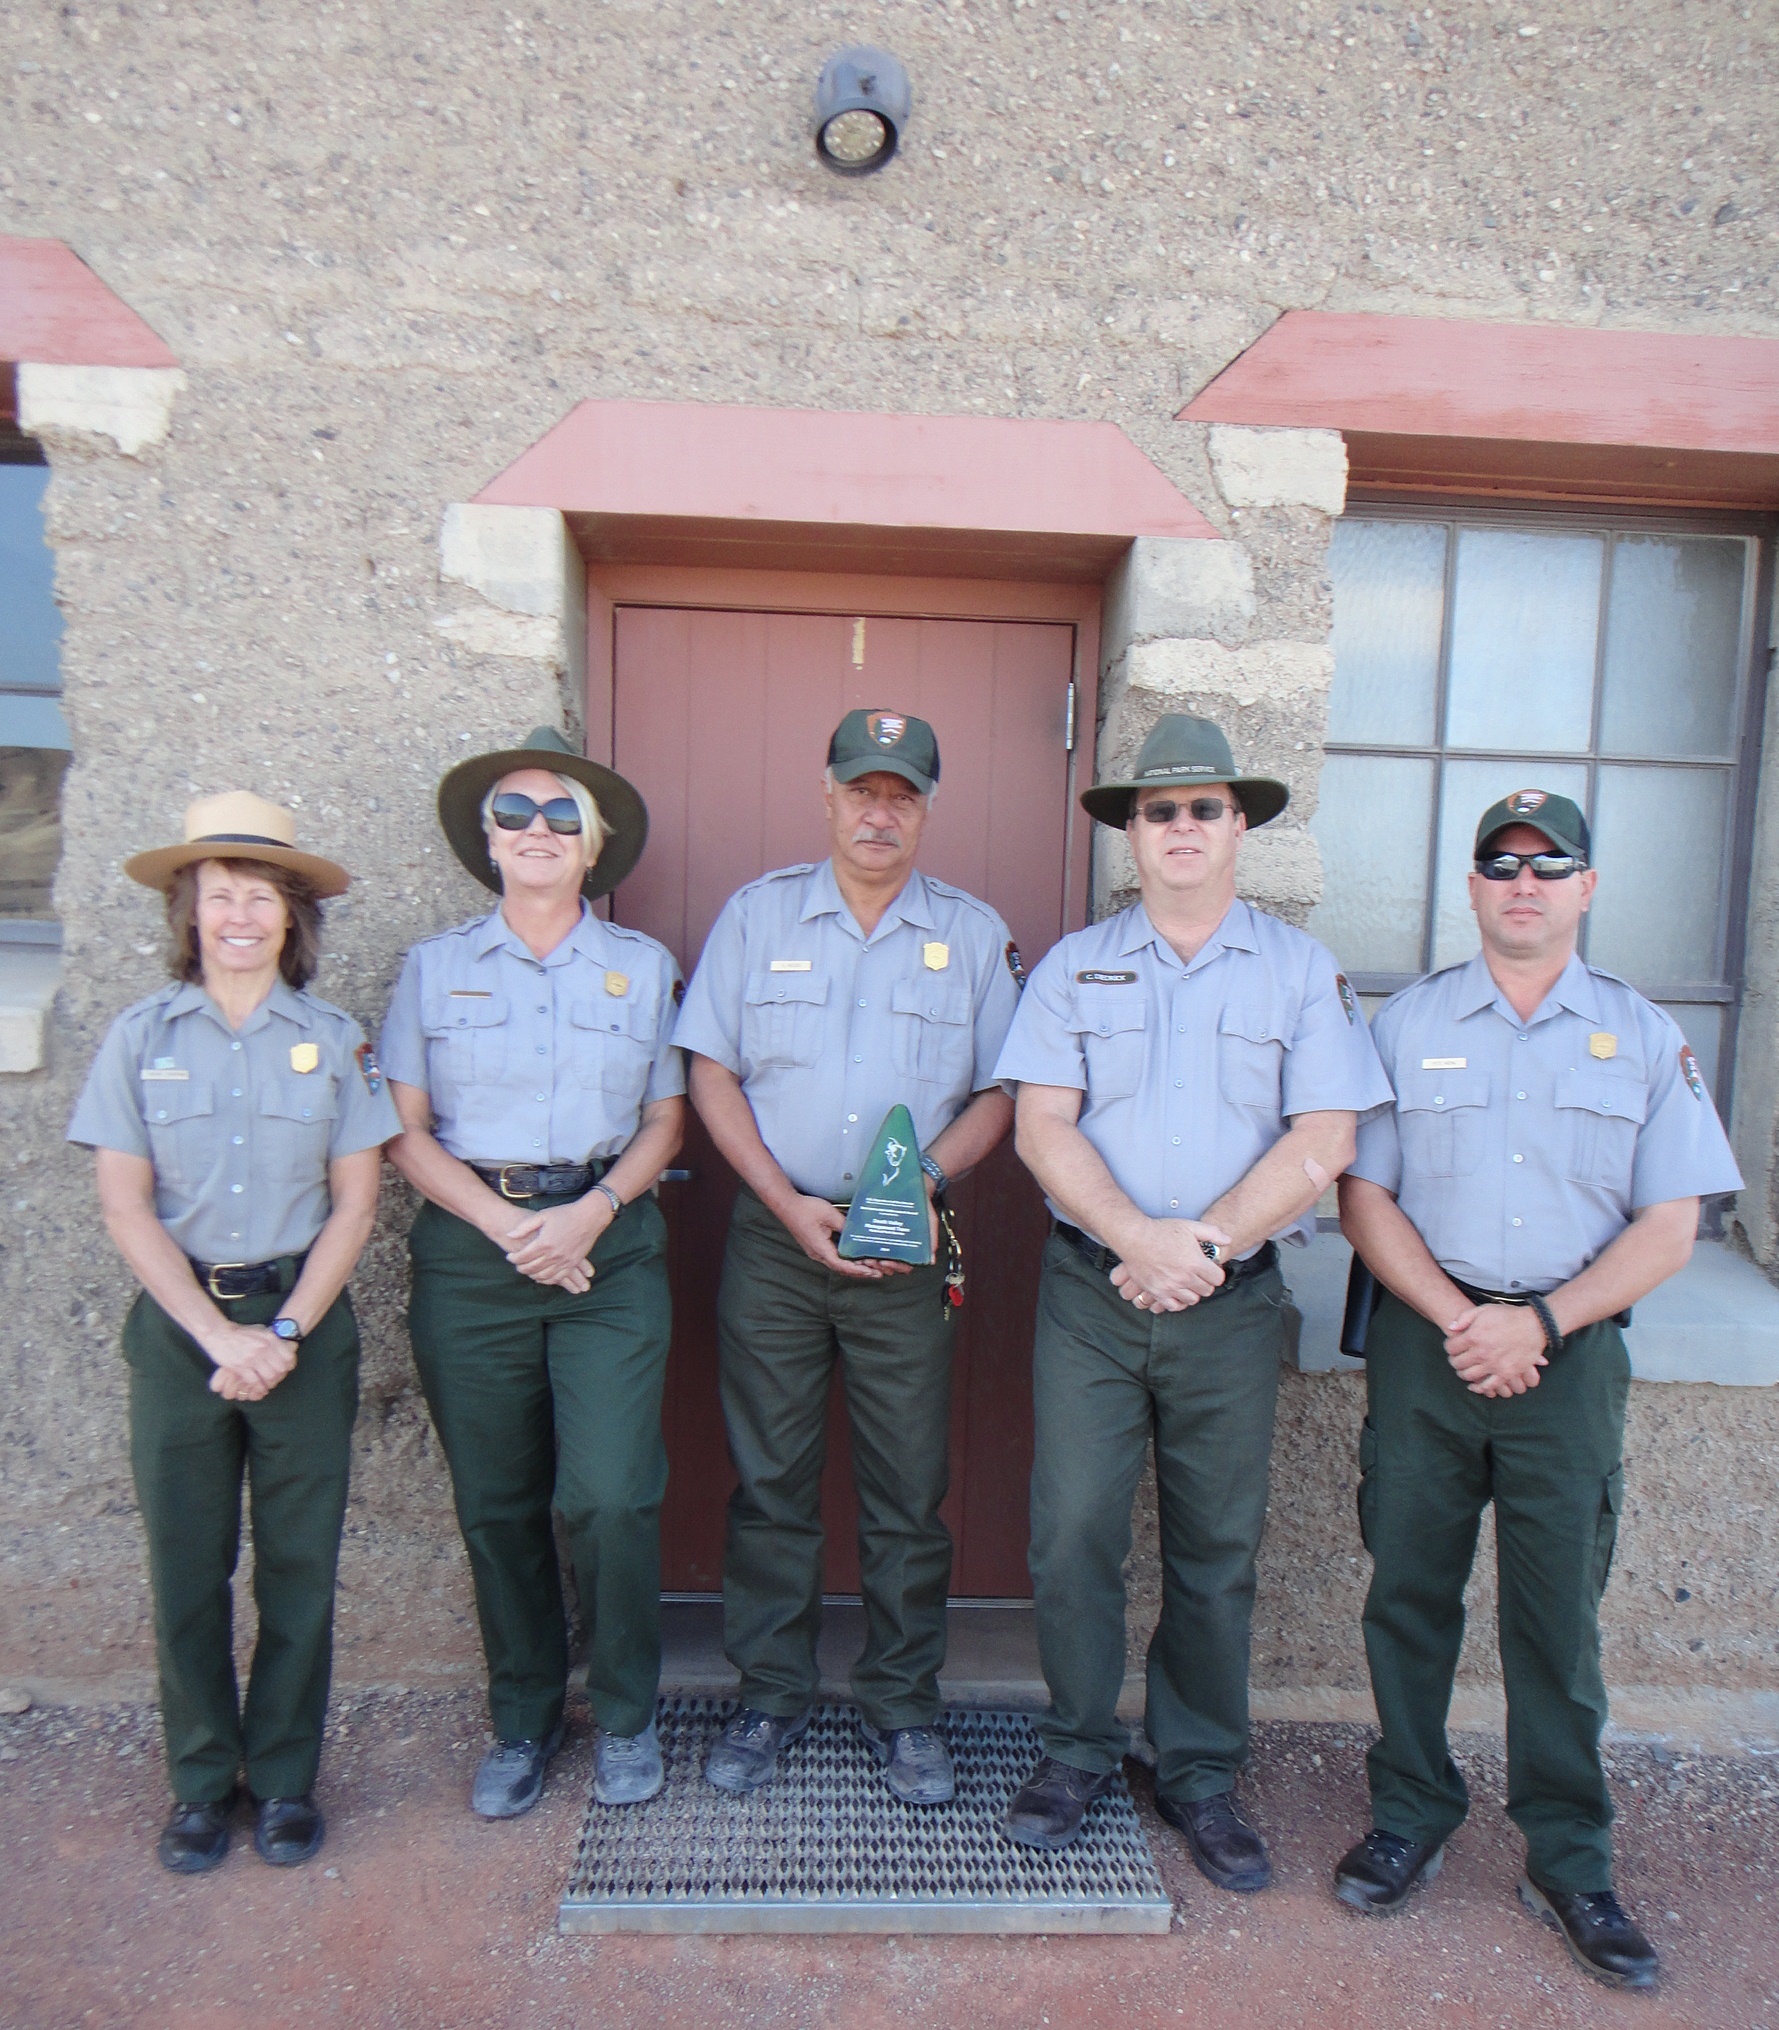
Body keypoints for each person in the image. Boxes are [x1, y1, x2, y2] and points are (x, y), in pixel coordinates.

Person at [1331, 790, 1741, 1990]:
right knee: (1408, 1591)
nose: (1524, 880)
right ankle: (1410, 1810)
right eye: (1500, 862)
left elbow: (1673, 1224)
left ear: (1586, 887)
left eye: (1549, 864)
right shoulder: (1406, 1025)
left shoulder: (1643, 1035)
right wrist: (1466, 1319)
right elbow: (1365, 1197)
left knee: (1556, 1618)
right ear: (1470, 885)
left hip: (1570, 1352)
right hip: (1430, 1339)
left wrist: (1545, 1321)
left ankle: (1569, 1853)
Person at [992, 713, 1392, 1878]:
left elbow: (1326, 1131)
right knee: (1072, 1531)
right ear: (1130, 829)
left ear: (1241, 824)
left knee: (1218, 1545)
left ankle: (1200, 1769)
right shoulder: (1074, 965)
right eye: (1158, 809)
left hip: (1228, 1301)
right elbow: (1040, 1124)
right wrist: (1134, 1237)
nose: (1180, 826)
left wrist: (1201, 1244)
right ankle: (1076, 1744)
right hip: (1092, 1294)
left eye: (1204, 807)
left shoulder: (1301, 971)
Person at [673, 708, 1020, 1805]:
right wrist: (781, 1203)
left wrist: (922, 1182)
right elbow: (711, 1070)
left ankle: (903, 1703)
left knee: (906, 1491)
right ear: (827, 795)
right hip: (776, 1244)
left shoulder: (971, 935)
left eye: (903, 793)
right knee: (769, 1483)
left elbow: (1006, 1089)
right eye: (862, 789)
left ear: (926, 808)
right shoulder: (756, 914)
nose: (881, 810)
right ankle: (770, 1692)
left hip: (906, 1249)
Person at [67, 792, 398, 1873]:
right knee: (188, 1565)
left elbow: (356, 1204)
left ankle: (288, 1778)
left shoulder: (336, 1039)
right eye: (219, 897)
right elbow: (126, 1206)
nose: (241, 915)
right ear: (190, 911)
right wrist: (219, 1335)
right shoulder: (140, 1037)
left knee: (299, 1565)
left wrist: (289, 1325)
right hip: (182, 1333)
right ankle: (203, 1783)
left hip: (303, 1324)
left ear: (293, 916)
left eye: (261, 896)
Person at [381, 727, 684, 1819]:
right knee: (498, 1501)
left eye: (563, 814)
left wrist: (591, 1211)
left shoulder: (643, 968)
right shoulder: (434, 967)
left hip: (610, 1241)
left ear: (593, 842)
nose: (539, 830)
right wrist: (511, 1225)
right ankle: (522, 1716)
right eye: (517, 811)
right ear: (488, 838)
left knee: (609, 1493)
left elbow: (667, 1115)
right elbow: (403, 1130)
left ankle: (628, 1711)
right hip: (475, 1253)